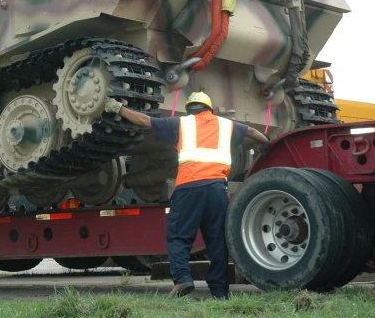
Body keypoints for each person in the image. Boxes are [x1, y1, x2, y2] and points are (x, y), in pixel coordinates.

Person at [105, 91, 268, 300]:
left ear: (190, 109)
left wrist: (118, 108)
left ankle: (183, 280)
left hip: (189, 188)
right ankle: (220, 292)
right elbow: (254, 132)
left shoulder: (181, 124)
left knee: (179, 237)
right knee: (217, 242)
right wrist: (265, 145)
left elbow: (145, 120)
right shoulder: (226, 125)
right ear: (209, 108)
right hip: (217, 190)